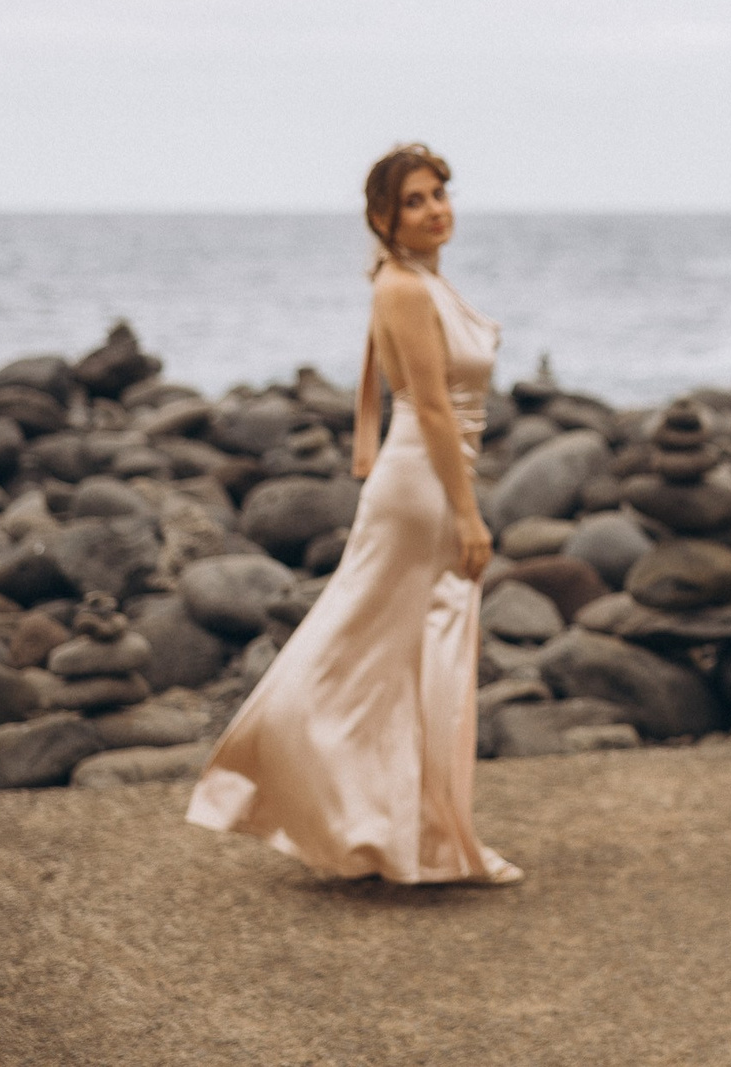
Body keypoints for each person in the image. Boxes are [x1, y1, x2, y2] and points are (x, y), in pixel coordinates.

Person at [187, 143, 521, 885]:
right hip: (423, 489)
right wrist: (468, 515)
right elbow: (430, 405)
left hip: (431, 479)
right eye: (414, 200)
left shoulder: (420, 279)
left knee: (401, 659)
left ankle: (407, 832)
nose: (434, 208)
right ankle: (283, 772)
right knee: (368, 650)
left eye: (439, 193)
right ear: (381, 217)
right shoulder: (402, 287)